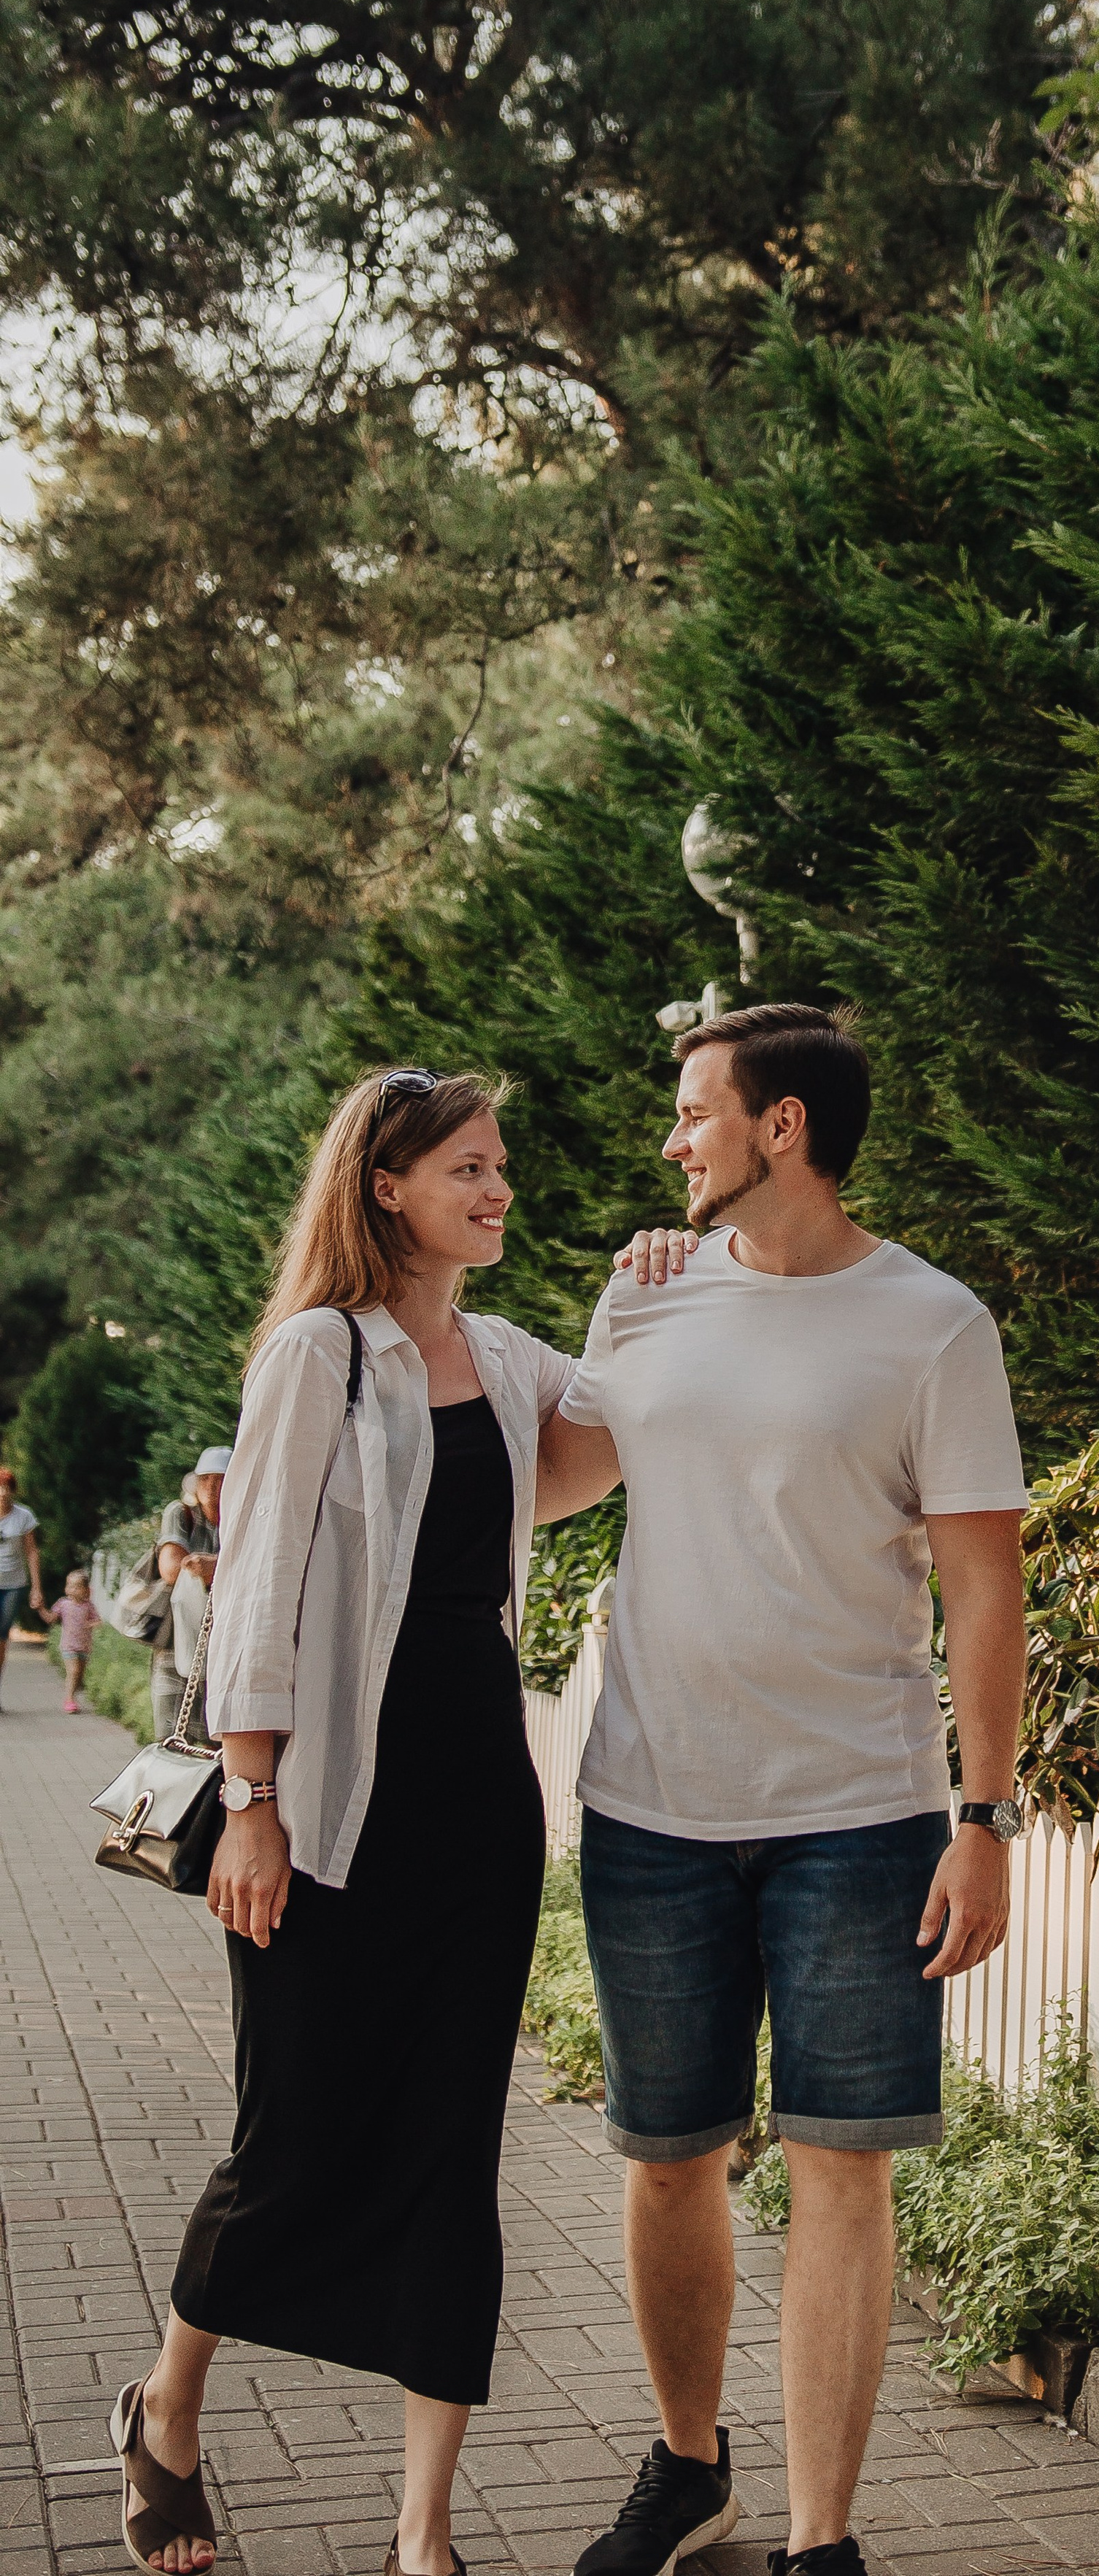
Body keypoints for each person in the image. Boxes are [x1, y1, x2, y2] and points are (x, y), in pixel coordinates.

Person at [112, 1066, 628, 2576]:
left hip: (478, 1801)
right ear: (386, 1186)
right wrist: (252, 1802)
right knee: (298, 2137)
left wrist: (652, 1290)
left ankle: (422, 2530)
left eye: (500, 1165)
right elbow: (261, 1582)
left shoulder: (506, 1356)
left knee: (449, 2150)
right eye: (469, 1166)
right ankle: (167, 2409)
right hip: (329, 1804)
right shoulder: (318, 1353)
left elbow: (605, 1448)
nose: (498, 1188)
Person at [538, 1004, 1029, 2576]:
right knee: (667, 2157)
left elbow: (985, 1589)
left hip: (859, 1816)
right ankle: (690, 2470)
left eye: (694, 1112)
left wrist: (984, 1819)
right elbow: (551, 1484)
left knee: (842, 2168)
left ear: (782, 1127)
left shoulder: (932, 1324)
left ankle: (823, 2541)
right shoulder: (646, 1294)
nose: (671, 1141)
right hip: (651, 1803)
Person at [152, 1458, 228, 1745]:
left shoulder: (246, 1514)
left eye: (220, 1479)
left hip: (226, 1639)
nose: (211, 1487)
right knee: (171, 1734)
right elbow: (171, 1568)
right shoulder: (181, 1513)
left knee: (219, 1733)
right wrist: (220, 1568)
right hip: (177, 1637)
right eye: (205, 1479)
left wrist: (214, 1567)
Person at [0, 1466, 44, 1713]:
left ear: (13, 1491)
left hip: (13, 1585)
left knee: (1, 1637)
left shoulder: (23, 1516)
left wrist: (36, 1588)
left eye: (7, 1488)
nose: (3, 1493)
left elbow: (32, 1552)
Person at [42, 1566, 102, 1712]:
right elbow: (50, 1618)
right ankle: (69, 1700)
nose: (72, 1590)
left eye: (77, 1587)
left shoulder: (88, 1606)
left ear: (86, 1590)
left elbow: (98, 1621)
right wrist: (40, 1608)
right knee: (73, 1671)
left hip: (84, 1647)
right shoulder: (63, 1604)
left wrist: (90, 1624)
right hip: (69, 1646)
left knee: (79, 1676)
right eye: (69, 1586)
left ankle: (73, 1694)